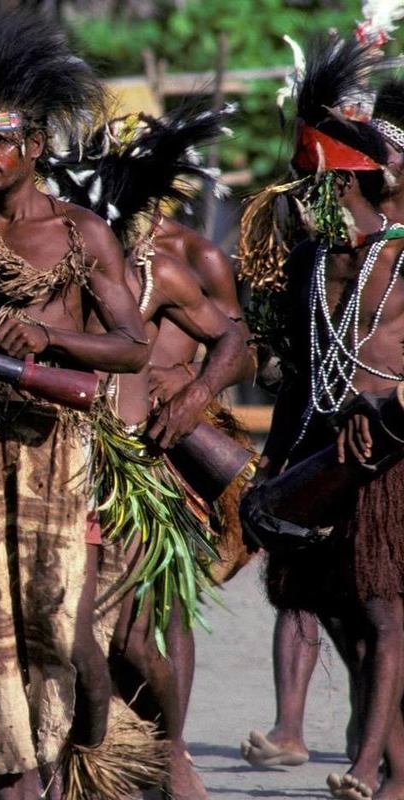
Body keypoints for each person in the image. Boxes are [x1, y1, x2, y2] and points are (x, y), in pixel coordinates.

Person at [0, 10, 148, 798]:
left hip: (59, 448)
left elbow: (133, 346)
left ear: (34, 147)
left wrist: (48, 336)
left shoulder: (82, 235)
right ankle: (14, 784)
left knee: (60, 630)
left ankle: (93, 749)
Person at [50, 103, 253, 800]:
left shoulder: (157, 272)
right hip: (54, 469)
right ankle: (88, 754)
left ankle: (171, 750)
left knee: (141, 639)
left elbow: (233, 339)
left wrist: (196, 394)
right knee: (67, 632)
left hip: (133, 470)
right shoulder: (40, 267)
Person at [243, 37, 404, 800]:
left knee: (382, 609)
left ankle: (373, 766)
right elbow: (303, 371)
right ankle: (363, 749)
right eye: (301, 183)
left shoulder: (401, 259)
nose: (302, 199)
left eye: (318, 186)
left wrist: (382, 405)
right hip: (319, 448)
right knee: (316, 598)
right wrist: (277, 460)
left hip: (388, 452)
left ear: (359, 180)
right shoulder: (310, 263)